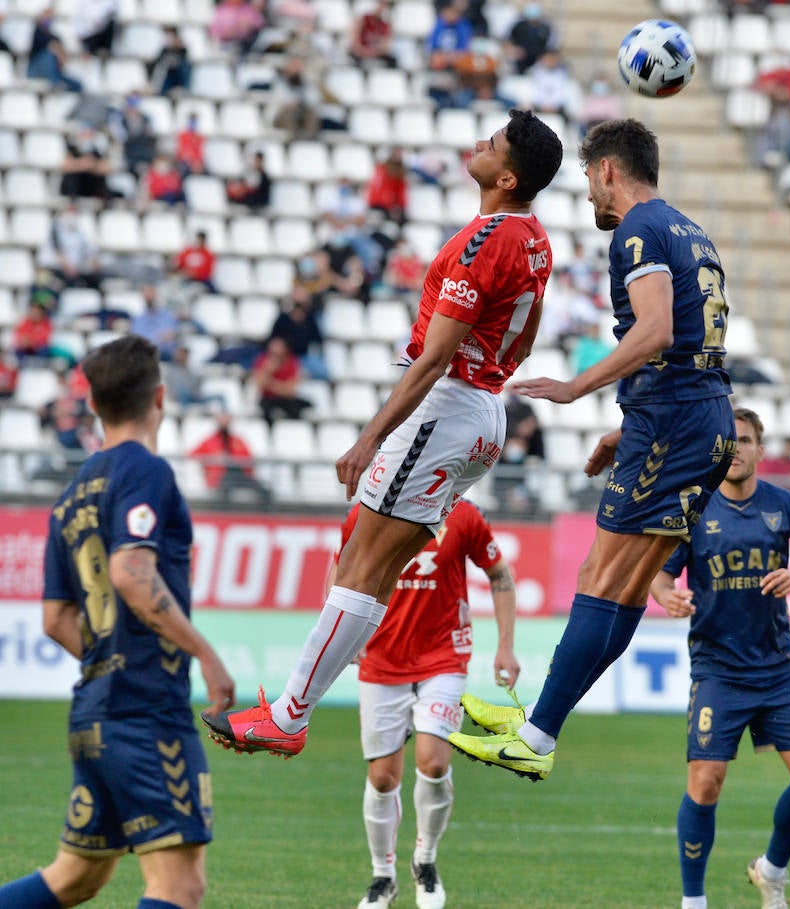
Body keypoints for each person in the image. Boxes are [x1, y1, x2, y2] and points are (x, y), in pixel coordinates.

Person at [201, 109, 562, 760]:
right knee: (376, 574)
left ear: (506, 176)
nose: (479, 144)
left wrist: (370, 437)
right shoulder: (533, 236)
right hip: (482, 414)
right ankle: (292, 710)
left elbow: (433, 359)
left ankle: (289, 713)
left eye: (494, 143)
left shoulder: (483, 243)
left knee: (360, 565)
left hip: (447, 405)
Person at [449, 118, 738, 781]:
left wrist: (581, 386)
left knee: (608, 579)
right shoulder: (689, 229)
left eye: (586, 178)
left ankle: (539, 734)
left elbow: (659, 329)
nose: (586, 194)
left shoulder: (637, 231)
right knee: (610, 580)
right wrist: (629, 423)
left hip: (675, 423)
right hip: (689, 418)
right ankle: (537, 718)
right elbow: (692, 337)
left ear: (608, 169)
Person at [0, 335, 235, 909]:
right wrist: (207, 657)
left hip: (95, 711)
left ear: (93, 405)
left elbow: (55, 618)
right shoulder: (146, 472)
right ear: (160, 397)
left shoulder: (70, 495)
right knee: (178, 886)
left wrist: (107, 661)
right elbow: (130, 572)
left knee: (76, 878)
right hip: (145, 712)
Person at [649, 408, 790, 909]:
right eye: (729, 442)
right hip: (718, 669)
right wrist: (666, 595)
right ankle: (694, 901)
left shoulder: (784, 506)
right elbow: (657, 572)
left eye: (747, 441)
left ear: (761, 450)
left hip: (777, 668)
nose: (737, 450)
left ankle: (772, 872)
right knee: (706, 783)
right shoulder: (694, 508)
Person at [344, 499, 520, 909]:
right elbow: (343, 570)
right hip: (382, 656)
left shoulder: (464, 515)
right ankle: (383, 876)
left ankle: (424, 860)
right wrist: (341, 633)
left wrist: (506, 647)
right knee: (384, 778)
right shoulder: (366, 510)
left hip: (444, 657)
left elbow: (499, 575)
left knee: (434, 762)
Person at [189, 414, 270, 505]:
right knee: (225, 491)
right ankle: (222, 517)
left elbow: (249, 458)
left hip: (240, 475)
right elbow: (192, 455)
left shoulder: (238, 440)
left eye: (226, 419)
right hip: (220, 477)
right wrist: (213, 459)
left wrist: (236, 460)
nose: (224, 422)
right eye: (222, 419)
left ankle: (265, 515)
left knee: (264, 490)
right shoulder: (209, 441)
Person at [151, 26, 193, 95]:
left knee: (184, 67)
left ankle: (183, 89)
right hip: (167, 81)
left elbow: (184, 58)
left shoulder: (182, 51)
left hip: (178, 79)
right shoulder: (164, 51)